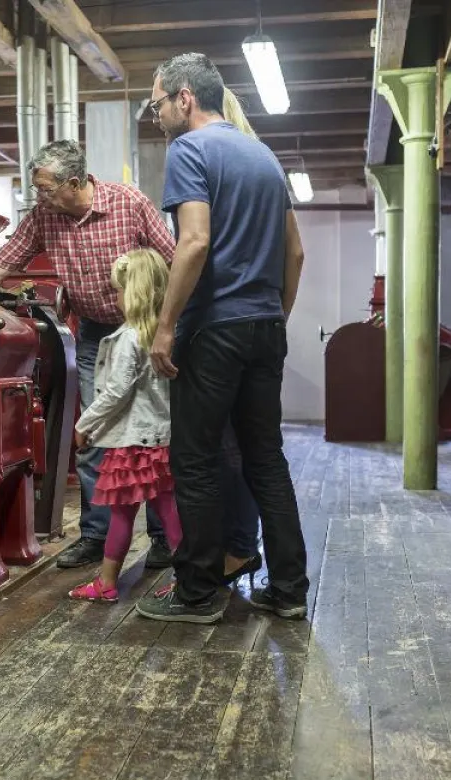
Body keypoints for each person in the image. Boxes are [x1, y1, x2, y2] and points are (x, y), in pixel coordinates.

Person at [135, 53, 309, 625]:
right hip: (265, 327)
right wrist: (272, 316)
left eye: (157, 103)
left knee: (195, 460)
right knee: (265, 457)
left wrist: (164, 327)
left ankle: (198, 591)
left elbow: (194, 242)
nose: (156, 115)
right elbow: (296, 252)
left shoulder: (190, 150)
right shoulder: (263, 155)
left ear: (185, 97)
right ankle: (287, 587)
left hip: (214, 330)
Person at [0, 140, 176, 572]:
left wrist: (168, 327)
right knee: (93, 436)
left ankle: (164, 540)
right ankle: (96, 536)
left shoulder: (130, 203)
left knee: (151, 435)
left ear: (75, 182)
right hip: (92, 334)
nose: (40, 198)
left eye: (47, 189)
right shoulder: (43, 218)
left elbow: (174, 260)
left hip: (144, 332)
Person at [67, 249, 184, 601]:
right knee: (166, 509)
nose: (114, 297)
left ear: (132, 293)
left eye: (118, 290)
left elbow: (116, 390)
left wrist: (85, 423)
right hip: (161, 437)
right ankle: (181, 577)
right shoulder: (165, 336)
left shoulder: (129, 338)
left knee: (129, 512)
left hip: (135, 441)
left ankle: (112, 582)